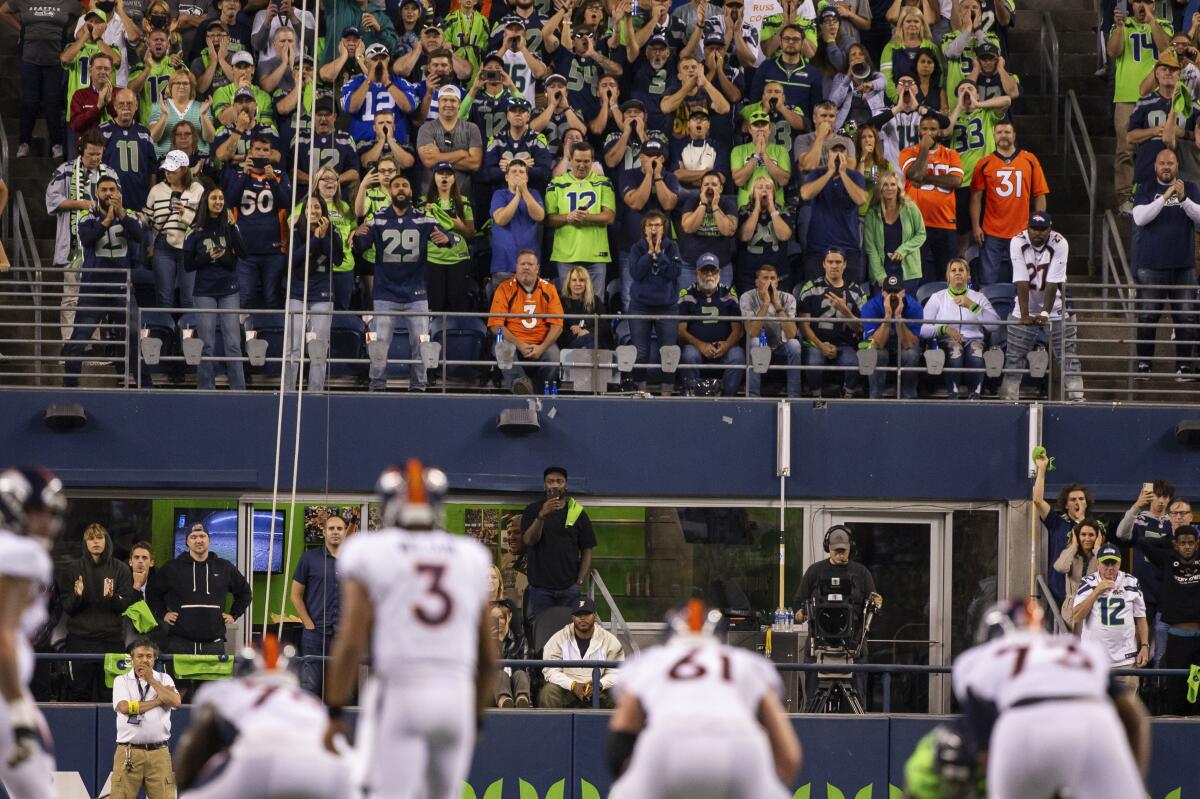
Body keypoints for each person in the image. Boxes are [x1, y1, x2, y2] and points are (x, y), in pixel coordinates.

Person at [323, 462, 494, 798]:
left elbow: (351, 639)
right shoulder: (470, 555)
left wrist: (334, 710)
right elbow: (488, 657)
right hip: (456, 695)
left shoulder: (371, 550)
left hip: (401, 690)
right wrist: (475, 718)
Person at [952, 599, 1150, 798]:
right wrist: (1132, 781)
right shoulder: (1076, 648)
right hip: (1093, 719)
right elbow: (1134, 717)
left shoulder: (977, 659)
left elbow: (984, 747)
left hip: (1020, 723)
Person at [608, 601, 802, 799]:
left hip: (666, 739)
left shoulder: (650, 661)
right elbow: (789, 756)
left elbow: (621, 738)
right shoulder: (746, 662)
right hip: (740, 741)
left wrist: (633, 779)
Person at [175, 637, 352, 798]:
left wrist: (187, 786)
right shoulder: (309, 700)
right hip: (337, 767)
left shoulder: (224, 690)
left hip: (262, 760)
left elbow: (197, 744)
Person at [0, 467, 67, 799]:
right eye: (38, 511)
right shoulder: (21, 554)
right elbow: (2, 633)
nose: (46, 521)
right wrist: (17, 708)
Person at [353, 173, 447, 392]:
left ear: (411, 191)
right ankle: (377, 385)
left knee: (421, 344)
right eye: (397, 186)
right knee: (380, 345)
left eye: (405, 185)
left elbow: (448, 239)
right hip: (386, 293)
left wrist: (447, 238)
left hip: (416, 292)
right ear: (390, 191)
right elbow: (361, 246)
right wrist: (358, 235)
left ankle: (419, 387)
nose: (401, 189)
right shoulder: (378, 218)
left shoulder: (424, 218)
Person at [145, 522, 251, 695]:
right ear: (187, 542)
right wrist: (162, 613)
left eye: (202, 536)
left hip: (213, 645)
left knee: (211, 697)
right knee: (177, 693)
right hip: (180, 643)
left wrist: (234, 614)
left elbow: (245, 592)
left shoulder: (224, 567)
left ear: (209, 539)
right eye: (193, 537)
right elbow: (152, 592)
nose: (198, 540)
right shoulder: (173, 568)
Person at [62, 175, 146, 388]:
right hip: (94, 290)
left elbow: (139, 236)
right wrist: (107, 220)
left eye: (112, 190)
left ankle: (144, 383)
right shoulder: (86, 214)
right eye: (104, 190)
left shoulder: (130, 216)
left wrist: (122, 216)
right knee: (79, 339)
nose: (109, 194)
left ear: (119, 193)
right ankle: (69, 386)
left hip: (121, 289)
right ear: (97, 194)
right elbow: (87, 239)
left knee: (135, 334)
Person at [1130, 147, 1200, 378]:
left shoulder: (1189, 188)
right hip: (1151, 264)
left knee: (1186, 316)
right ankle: (1144, 365)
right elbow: (1140, 218)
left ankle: (1183, 366)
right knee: (1148, 315)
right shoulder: (1145, 188)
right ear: (1155, 166)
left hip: (1183, 265)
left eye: (1170, 162)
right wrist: (1165, 196)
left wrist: (1184, 199)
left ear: (1177, 165)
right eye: (1162, 163)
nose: (1166, 166)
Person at [792, 526, 883, 703]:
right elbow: (798, 602)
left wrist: (878, 603)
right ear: (828, 548)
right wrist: (800, 613)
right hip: (818, 647)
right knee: (813, 699)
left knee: (858, 700)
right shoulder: (814, 572)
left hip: (854, 647)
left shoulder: (862, 573)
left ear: (851, 549)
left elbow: (874, 605)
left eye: (844, 551)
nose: (841, 555)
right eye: (836, 551)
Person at [1001, 211, 1085, 402]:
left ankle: (1077, 399)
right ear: (1027, 228)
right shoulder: (1017, 241)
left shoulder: (1060, 242)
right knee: (1014, 358)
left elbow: (1053, 282)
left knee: (1068, 357)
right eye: (1034, 228)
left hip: (1057, 305)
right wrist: (1024, 315)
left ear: (1050, 228)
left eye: (1043, 229)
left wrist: (1046, 312)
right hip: (1024, 305)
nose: (1038, 233)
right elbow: (1021, 280)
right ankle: (1008, 401)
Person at [47, 131, 119, 342]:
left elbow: (118, 201)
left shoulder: (110, 173)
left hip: (101, 246)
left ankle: (93, 345)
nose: (96, 159)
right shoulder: (66, 170)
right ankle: (69, 345)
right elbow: (52, 200)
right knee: (71, 297)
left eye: (99, 154)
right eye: (91, 154)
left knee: (94, 297)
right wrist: (80, 204)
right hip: (74, 245)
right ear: (81, 150)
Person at [1108, 0, 1172, 213]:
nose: (1141, 6)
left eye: (1148, 1)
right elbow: (1112, 52)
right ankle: (1125, 198)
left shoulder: (1165, 24)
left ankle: (1157, 194)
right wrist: (1118, 27)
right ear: (1131, 4)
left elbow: (1165, 49)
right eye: (1137, 1)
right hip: (1126, 96)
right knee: (1125, 149)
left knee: (1158, 147)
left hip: (1158, 96)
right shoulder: (1121, 25)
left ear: (1155, 5)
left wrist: (1152, 20)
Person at [60, 522, 135, 702]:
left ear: (106, 541)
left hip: (111, 641)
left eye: (99, 538)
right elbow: (67, 608)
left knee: (111, 695)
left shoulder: (121, 569)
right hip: (80, 642)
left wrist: (112, 597)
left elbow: (125, 605)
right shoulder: (73, 570)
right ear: (85, 543)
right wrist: (78, 596)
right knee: (78, 693)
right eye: (91, 539)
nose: (95, 542)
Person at [969, 119, 1049, 286]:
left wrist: (1038, 223)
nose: (1003, 136)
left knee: (1023, 280)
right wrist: (976, 226)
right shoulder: (984, 163)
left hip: (1021, 231)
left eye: (1007, 132)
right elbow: (975, 198)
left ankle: (1021, 312)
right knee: (987, 281)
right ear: (993, 136)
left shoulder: (1030, 160)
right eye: (999, 132)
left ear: (1014, 135)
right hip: (991, 232)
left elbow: (1040, 194)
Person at [183, 185, 248, 392]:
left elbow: (243, 255)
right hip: (204, 291)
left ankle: (238, 389)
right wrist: (208, 257)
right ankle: (206, 388)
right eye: (214, 198)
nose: (219, 202)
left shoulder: (229, 226)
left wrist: (233, 227)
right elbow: (188, 264)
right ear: (205, 201)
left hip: (229, 289)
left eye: (221, 198)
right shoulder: (194, 229)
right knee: (207, 344)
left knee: (233, 344)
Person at [222, 136, 292, 310]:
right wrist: (245, 175)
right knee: (245, 298)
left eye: (265, 150)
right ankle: (245, 336)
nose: (261, 153)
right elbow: (230, 200)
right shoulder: (237, 173)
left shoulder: (280, 175)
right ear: (250, 152)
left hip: (273, 249)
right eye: (258, 149)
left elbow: (285, 203)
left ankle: (272, 335)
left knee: (272, 298)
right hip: (245, 250)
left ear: (270, 153)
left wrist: (271, 180)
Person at [1137, 525, 1200, 715]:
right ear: (1176, 544)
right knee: (1176, 687)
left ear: (1197, 544)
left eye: (1191, 543)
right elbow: (1142, 542)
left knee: (1198, 689)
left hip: (1199, 640)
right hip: (1176, 639)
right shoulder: (1166, 559)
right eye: (1182, 543)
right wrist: (1168, 540)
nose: (1187, 547)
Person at [283, 195, 343, 393]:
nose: (314, 211)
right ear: (304, 211)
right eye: (310, 208)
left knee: (318, 348)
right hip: (298, 293)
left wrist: (324, 237)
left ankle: (315, 391)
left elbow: (337, 260)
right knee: (293, 346)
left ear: (323, 210)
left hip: (322, 294)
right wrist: (315, 238)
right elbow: (292, 261)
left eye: (318, 207)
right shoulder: (295, 231)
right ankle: (289, 390)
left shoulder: (333, 231)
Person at [919, 257, 1001, 399]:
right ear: (948, 276)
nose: (957, 273)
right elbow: (921, 329)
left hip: (975, 339)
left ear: (968, 275)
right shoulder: (937, 298)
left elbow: (994, 325)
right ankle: (953, 396)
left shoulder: (978, 297)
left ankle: (975, 396)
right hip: (947, 340)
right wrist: (943, 329)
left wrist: (972, 305)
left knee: (976, 356)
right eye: (953, 270)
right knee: (955, 353)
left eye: (961, 270)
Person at [520, 466, 596, 618]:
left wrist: (580, 579)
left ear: (566, 485)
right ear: (544, 485)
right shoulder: (533, 510)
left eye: (559, 481)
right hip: (540, 589)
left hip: (569, 588)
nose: (555, 485)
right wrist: (541, 516)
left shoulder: (577, 512)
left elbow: (587, 548)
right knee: (543, 634)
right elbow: (529, 540)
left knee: (568, 633)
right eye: (550, 481)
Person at [1073, 543, 1150, 691]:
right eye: (1105, 563)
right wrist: (1096, 591)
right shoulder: (1088, 583)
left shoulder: (1131, 582)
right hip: (1094, 659)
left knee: (1126, 708)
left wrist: (1144, 646)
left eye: (1113, 563)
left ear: (1119, 563)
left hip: (1126, 657)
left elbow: (1140, 617)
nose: (1110, 567)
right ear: (1098, 563)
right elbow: (1076, 616)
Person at [1114, 480, 1175, 666]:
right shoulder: (1140, 519)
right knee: (1140, 643)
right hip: (1142, 592)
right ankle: (1140, 683)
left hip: (1166, 592)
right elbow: (1121, 535)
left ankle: (1158, 687)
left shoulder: (1172, 523)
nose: (1161, 500)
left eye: (1166, 496)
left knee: (1163, 646)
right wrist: (1136, 507)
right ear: (1150, 496)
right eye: (1158, 495)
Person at [111, 637, 180, 799]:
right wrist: (158, 700)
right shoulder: (122, 680)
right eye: (140, 656)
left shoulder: (164, 679)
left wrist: (152, 681)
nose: (144, 660)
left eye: (149, 656)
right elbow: (124, 707)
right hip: (128, 752)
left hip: (159, 753)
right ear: (132, 659)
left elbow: (176, 701)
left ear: (155, 659)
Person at [488, 250, 565, 393]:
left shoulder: (549, 289)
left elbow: (558, 325)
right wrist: (520, 344)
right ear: (516, 267)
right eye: (522, 264)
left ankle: (541, 391)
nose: (526, 267)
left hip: (541, 342)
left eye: (530, 264)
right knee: (502, 349)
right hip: (513, 342)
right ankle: (521, 385)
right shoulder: (504, 288)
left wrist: (542, 347)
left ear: (537, 268)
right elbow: (495, 324)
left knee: (554, 355)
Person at [900, 113, 964, 285]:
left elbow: (955, 181)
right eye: (925, 129)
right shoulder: (908, 152)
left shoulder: (951, 154)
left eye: (933, 129)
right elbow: (913, 174)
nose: (928, 133)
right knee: (913, 277)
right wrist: (924, 149)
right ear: (919, 130)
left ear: (939, 131)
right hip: (916, 224)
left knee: (947, 276)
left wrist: (925, 178)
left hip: (946, 223)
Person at [290, 514, 348, 699]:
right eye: (331, 528)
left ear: (345, 532)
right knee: (310, 688)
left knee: (343, 691)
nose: (335, 532)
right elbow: (295, 596)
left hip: (343, 635)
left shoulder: (353, 560)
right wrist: (308, 623)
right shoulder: (309, 559)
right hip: (314, 635)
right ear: (323, 532)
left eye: (339, 528)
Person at [545, 142, 617, 290]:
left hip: (596, 254)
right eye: (578, 161)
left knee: (595, 304)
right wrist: (567, 217)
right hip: (566, 254)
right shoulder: (556, 183)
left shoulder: (604, 183)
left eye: (586, 161)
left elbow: (609, 217)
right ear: (570, 159)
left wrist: (585, 217)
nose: (582, 165)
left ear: (593, 161)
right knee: (569, 304)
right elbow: (548, 219)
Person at [7, 0, 73, 159]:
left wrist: (66, 34)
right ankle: (24, 143)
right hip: (29, 59)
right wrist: (22, 30)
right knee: (29, 102)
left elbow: (83, 13)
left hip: (55, 61)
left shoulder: (67, 2)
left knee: (53, 103)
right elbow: (3, 11)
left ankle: (56, 144)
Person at [796, 249, 866, 398]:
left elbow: (861, 329)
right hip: (816, 343)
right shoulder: (811, 288)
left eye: (838, 262)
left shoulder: (856, 291)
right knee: (814, 364)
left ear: (845, 265)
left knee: (854, 364)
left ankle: (847, 394)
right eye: (830, 262)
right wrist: (821, 345)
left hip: (845, 343)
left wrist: (845, 310)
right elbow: (803, 325)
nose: (834, 266)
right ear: (824, 264)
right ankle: (816, 396)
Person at [626, 211, 683, 392]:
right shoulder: (637, 248)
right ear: (644, 229)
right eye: (650, 225)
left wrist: (660, 253)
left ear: (663, 228)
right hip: (640, 307)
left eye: (657, 225)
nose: (654, 228)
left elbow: (674, 272)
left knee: (668, 354)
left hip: (667, 307)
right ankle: (640, 392)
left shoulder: (672, 246)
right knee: (641, 354)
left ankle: (666, 392)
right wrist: (649, 253)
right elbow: (635, 273)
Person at [800, 139, 870, 285]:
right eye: (834, 150)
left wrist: (843, 173)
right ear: (827, 154)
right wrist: (830, 171)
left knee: (850, 298)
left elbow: (862, 199)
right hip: (818, 248)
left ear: (848, 154)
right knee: (814, 297)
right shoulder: (817, 173)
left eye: (842, 150)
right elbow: (805, 194)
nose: (838, 154)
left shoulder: (857, 175)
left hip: (848, 248)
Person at [1031, 452, 1096, 607]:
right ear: (1066, 505)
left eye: (1081, 499)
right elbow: (1038, 500)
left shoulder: (1095, 528)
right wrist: (1041, 469)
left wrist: (1082, 521)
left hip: (1085, 592)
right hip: (1059, 592)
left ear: (1086, 503)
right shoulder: (1057, 523)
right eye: (1073, 499)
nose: (1077, 502)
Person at [145, 150, 205, 311]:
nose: (168, 173)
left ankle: (188, 333)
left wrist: (183, 213)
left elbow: (202, 222)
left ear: (184, 169)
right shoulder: (156, 190)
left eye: (173, 170)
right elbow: (148, 220)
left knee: (189, 298)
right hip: (163, 246)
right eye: (166, 169)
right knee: (164, 298)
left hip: (189, 247)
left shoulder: (197, 189)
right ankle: (165, 333)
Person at [539, 597, 624, 708]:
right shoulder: (558, 638)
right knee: (548, 692)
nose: (583, 618)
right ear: (572, 617)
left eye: (587, 614)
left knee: (619, 694)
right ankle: (553, 726)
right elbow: (550, 670)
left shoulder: (609, 640)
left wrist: (600, 684)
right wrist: (573, 685)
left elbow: (616, 672)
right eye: (579, 615)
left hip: (599, 690)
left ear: (595, 616)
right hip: (567, 690)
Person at [677, 259, 746, 396]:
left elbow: (738, 329)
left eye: (713, 271)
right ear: (697, 273)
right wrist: (700, 345)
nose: (709, 275)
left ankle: (726, 399)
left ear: (719, 272)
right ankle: (694, 397)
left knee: (737, 356)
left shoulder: (729, 294)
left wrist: (726, 345)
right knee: (689, 355)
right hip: (696, 347)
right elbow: (680, 331)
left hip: (724, 346)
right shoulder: (686, 294)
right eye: (705, 271)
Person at [742, 263, 802, 398]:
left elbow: (791, 334)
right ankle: (753, 396)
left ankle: (794, 396)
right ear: (757, 282)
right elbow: (752, 332)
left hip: (781, 344)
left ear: (777, 282)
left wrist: (777, 305)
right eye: (765, 278)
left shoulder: (788, 298)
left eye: (773, 278)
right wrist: (766, 304)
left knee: (795, 345)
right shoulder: (747, 297)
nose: (769, 282)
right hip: (760, 343)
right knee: (755, 343)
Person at [421, 163, 476, 313]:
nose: (444, 176)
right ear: (434, 177)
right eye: (440, 173)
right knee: (435, 305)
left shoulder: (464, 201)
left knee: (458, 306)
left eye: (448, 174)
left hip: (458, 259)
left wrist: (460, 227)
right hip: (433, 259)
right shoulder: (423, 203)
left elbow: (471, 233)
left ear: (453, 179)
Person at [861, 273, 924, 398]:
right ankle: (876, 398)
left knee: (910, 354)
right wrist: (888, 316)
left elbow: (908, 344)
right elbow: (876, 343)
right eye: (889, 291)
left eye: (896, 291)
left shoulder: (914, 307)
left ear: (904, 292)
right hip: (881, 345)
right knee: (876, 353)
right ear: (882, 292)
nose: (893, 296)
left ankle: (909, 397)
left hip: (903, 345)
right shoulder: (870, 307)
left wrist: (899, 317)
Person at [415, 85, 483, 197]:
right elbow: (428, 161)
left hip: (463, 195)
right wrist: (461, 153)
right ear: (438, 103)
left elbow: (474, 163)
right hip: (432, 195)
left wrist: (438, 156)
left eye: (453, 100)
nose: (448, 104)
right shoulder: (426, 128)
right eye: (444, 100)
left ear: (459, 104)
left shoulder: (472, 129)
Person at [864, 172, 926, 293]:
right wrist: (879, 274)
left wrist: (903, 250)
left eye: (893, 184)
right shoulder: (872, 214)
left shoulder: (910, 207)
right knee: (881, 310)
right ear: (880, 189)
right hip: (882, 269)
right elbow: (871, 249)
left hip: (908, 272)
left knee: (907, 310)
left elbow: (921, 234)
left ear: (898, 188)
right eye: (885, 185)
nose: (889, 188)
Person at [489, 158, 546, 286]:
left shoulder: (534, 194)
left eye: (521, 172)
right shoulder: (499, 195)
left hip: (530, 266)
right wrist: (518, 196)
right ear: (506, 177)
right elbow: (501, 219)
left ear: (526, 177)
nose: (517, 174)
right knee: (502, 305)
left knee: (529, 305)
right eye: (513, 171)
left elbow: (539, 216)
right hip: (503, 265)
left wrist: (524, 192)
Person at [1053, 517, 1105, 632]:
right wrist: (1074, 545)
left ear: (1098, 537)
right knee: (1070, 647)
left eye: (1091, 535)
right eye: (1083, 534)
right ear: (1077, 536)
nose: (1087, 538)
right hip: (1071, 607)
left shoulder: (1102, 555)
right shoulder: (1070, 552)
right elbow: (1060, 567)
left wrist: (1097, 549)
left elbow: (1106, 573)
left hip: (1093, 607)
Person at [490, 602, 531, 708]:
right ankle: (505, 703)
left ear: (508, 618)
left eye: (501, 617)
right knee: (500, 674)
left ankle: (522, 701)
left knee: (521, 674)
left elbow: (526, 668)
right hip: (492, 687)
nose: (498, 622)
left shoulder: (521, 640)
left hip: (516, 684)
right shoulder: (485, 642)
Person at [559, 265, 607, 351]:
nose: (578, 284)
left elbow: (603, 326)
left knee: (590, 339)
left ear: (586, 283)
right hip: (570, 344)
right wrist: (575, 332)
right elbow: (559, 328)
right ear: (569, 283)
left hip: (592, 342)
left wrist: (586, 331)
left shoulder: (595, 301)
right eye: (574, 280)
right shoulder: (561, 302)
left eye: (581, 280)